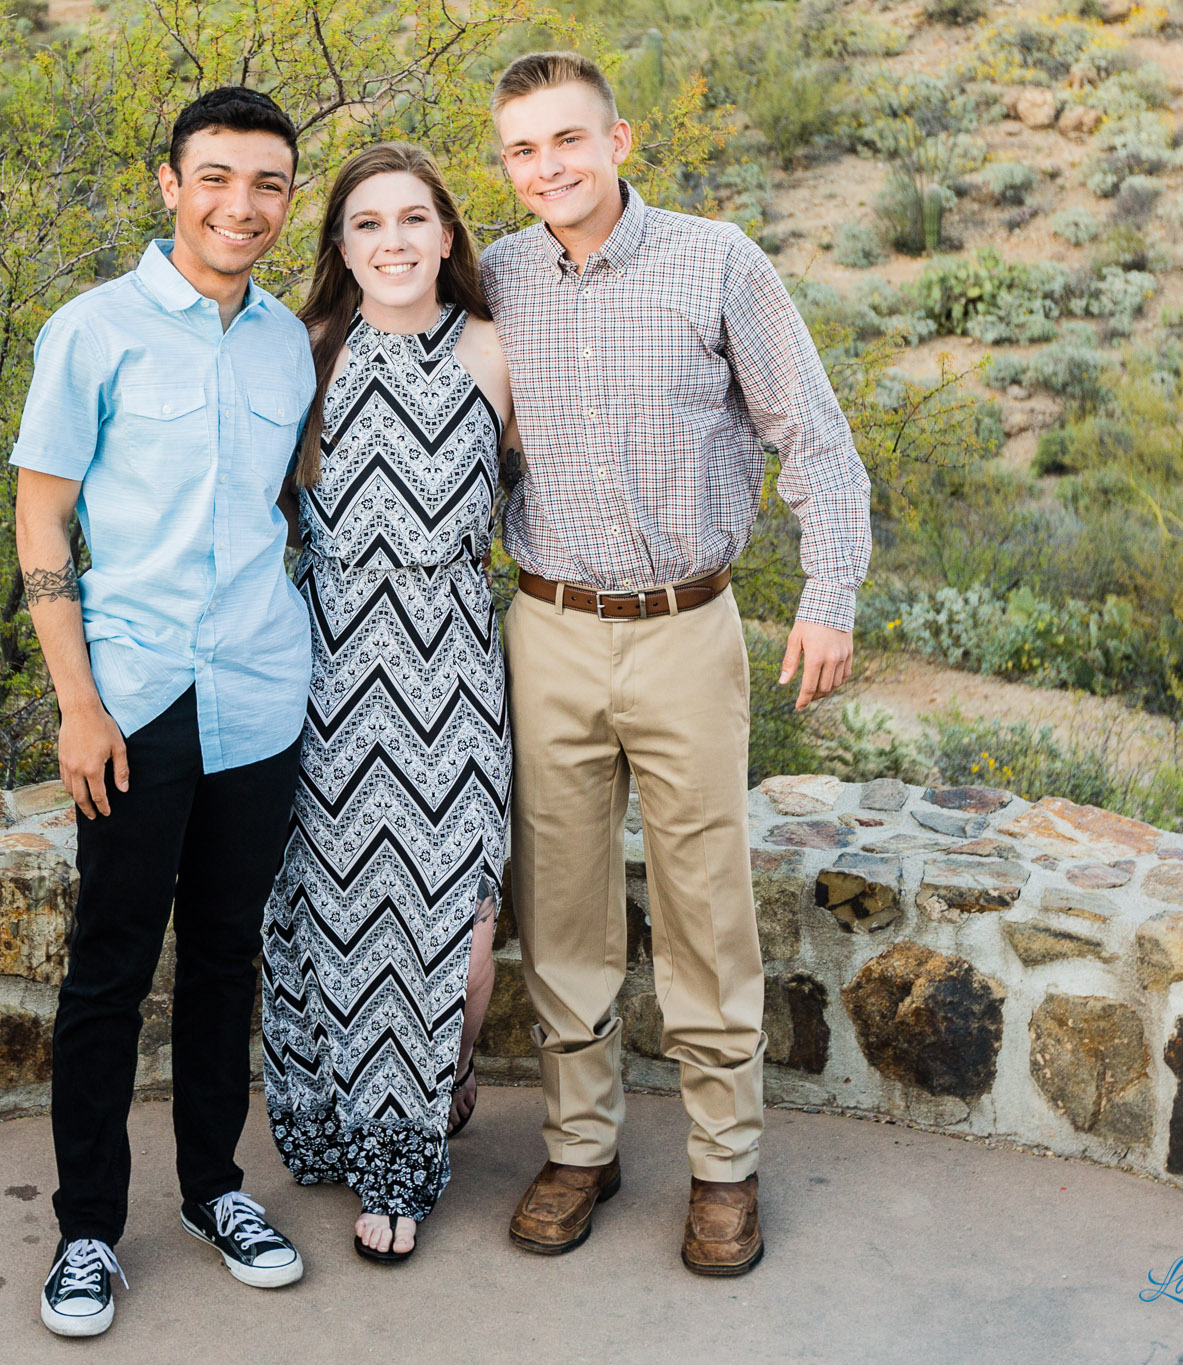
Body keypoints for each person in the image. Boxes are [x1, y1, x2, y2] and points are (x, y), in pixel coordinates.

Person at [479, 53, 871, 1276]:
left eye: (565, 142)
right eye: (520, 152)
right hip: (544, 625)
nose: (546, 168)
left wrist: (829, 595)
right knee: (562, 907)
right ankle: (580, 1146)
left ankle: (722, 1168)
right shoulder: (492, 280)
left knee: (705, 905)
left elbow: (811, 432)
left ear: (619, 139)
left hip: (686, 626)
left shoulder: (715, 262)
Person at [9, 86, 316, 1338]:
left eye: (267, 186)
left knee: (229, 958)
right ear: (168, 183)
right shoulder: (91, 332)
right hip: (135, 696)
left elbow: (282, 515)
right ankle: (87, 1232)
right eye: (216, 178)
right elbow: (41, 519)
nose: (240, 207)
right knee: (110, 969)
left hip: (260, 687)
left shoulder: (288, 342)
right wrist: (78, 706)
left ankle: (213, 1191)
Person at [259, 142, 514, 1264]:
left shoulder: (497, 354)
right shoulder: (303, 353)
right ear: (341, 246)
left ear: (448, 237)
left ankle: (422, 1111)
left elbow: (548, 504)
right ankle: (375, 1157)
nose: (395, 241)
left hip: (457, 680)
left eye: (415, 219)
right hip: (325, 677)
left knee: (456, 938)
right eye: (367, 224)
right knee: (341, 924)